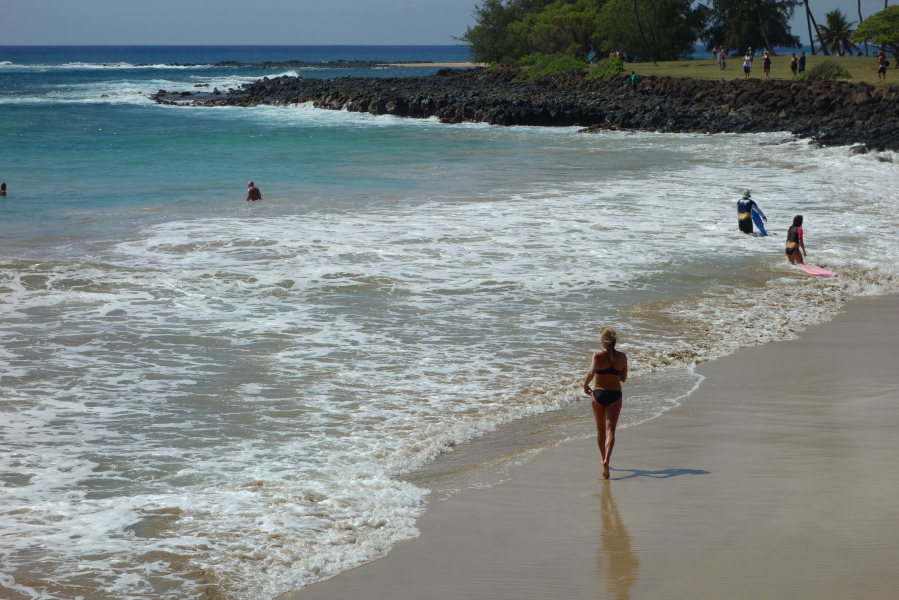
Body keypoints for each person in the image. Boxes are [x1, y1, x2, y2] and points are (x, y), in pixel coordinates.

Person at [582, 327, 628, 479]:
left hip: (599, 394)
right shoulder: (622, 357)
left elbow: (591, 372)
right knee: (611, 431)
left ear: (602, 341)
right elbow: (623, 378)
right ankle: (607, 458)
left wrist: (585, 385)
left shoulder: (597, 355)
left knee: (600, 430)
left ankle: (604, 460)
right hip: (615, 395)